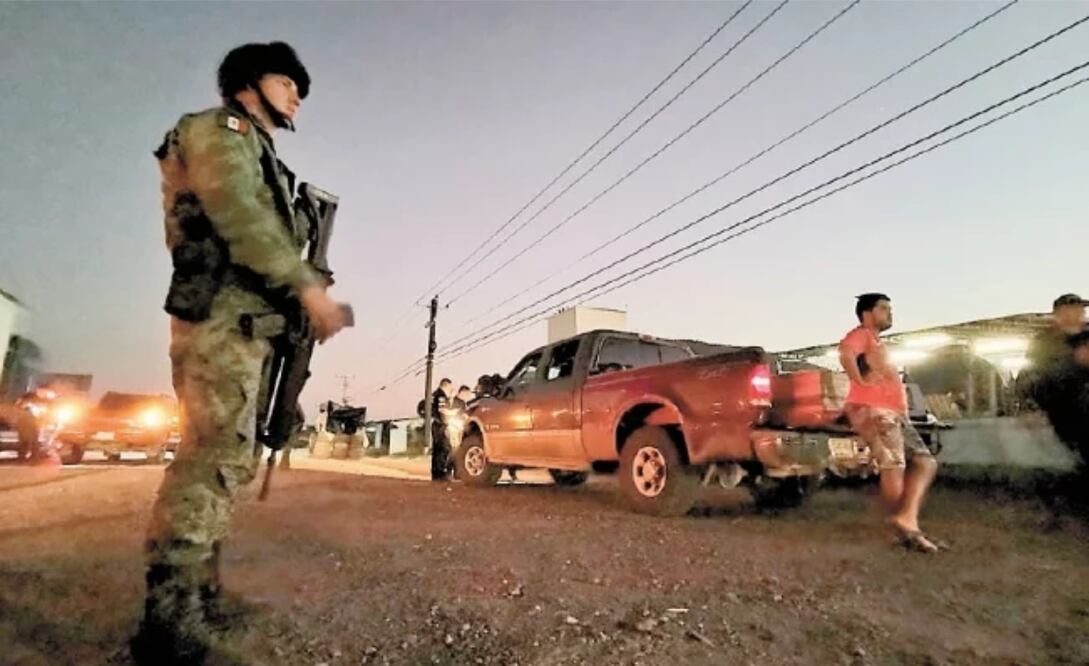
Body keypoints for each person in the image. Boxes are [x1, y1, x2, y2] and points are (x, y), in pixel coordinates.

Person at [134, 41, 350, 664]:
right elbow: (238, 215)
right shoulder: (217, 130)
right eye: (289, 83)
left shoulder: (264, 153)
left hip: (252, 327)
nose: (298, 96)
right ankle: (166, 625)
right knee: (210, 457)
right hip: (219, 322)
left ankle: (199, 596)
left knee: (232, 458)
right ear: (251, 84)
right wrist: (307, 288)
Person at [838, 293, 942, 553]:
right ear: (868, 313)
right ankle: (906, 529)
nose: (890, 314)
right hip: (877, 412)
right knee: (894, 466)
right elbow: (845, 354)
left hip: (893, 412)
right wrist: (860, 382)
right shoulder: (861, 334)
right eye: (884, 309)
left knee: (924, 461)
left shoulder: (875, 341)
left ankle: (905, 520)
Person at [1023, 293, 1088, 410]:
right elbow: (1032, 376)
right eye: (1075, 310)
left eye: (1081, 310)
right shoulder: (1044, 342)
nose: (1081, 314)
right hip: (1061, 410)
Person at [429, 378, 454, 480]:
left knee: (437, 450)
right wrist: (453, 413)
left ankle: (436, 473)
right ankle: (441, 472)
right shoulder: (441, 395)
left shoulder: (435, 394)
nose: (451, 389)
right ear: (446, 385)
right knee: (443, 448)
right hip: (440, 425)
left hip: (436, 424)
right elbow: (442, 409)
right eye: (450, 387)